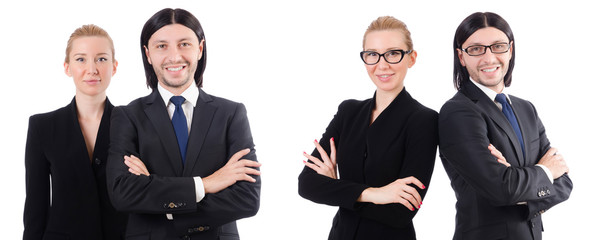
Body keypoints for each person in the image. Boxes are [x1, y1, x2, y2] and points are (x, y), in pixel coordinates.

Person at [106, 8, 260, 240]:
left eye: (184, 44)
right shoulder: (127, 116)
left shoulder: (231, 114)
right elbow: (123, 193)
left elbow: (247, 198)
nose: (174, 56)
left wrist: (165, 206)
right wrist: (206, 184)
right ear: (148, 54)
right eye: (161, 46)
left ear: (199, 49)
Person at [298, 16, 438, 240]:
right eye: (372, 54)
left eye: (393, 53)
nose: (382, 65)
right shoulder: (348, 112)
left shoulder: (423, 120)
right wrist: (376, 194)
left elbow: (401, 212)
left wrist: (338, 189)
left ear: (411, 58)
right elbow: (307, 184)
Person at [439, 12, 573, 240]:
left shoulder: (526, 109)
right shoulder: (458, 112)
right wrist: (545, 171)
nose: (489, 58)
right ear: (461, 57)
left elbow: (565, 183)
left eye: (498, 46)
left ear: (510, 50)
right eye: (476, 49)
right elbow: (502, 189)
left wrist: (515, 180)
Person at [23, 24, 127, 239]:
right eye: (81, 59)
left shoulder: (132, 123)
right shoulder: (42, 127)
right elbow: (36, 206)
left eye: (101, 59)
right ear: (67, 67)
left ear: (114, 66)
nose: (92, 69)